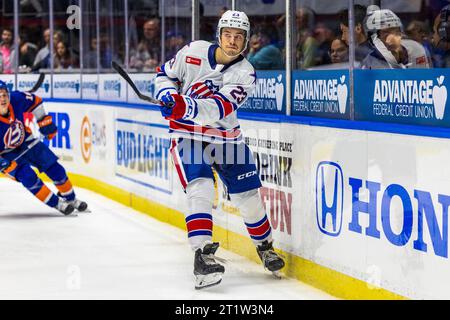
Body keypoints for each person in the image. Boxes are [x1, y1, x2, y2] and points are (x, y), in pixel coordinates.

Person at [154, 10, 285, 289]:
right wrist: (166, 93)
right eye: (228, 34)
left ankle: (265, 246)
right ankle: (201, 254)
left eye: (239, 36)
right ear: (219, 35)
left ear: (247, 40)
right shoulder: (193, 51)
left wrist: (184, 105)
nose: (233, 40)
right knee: (201, 186)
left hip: (226, 139)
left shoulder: (245, 72)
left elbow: (219, 107)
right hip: (187, 135)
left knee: (248, 197)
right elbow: (164, 75)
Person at [0, 81, 87, 215]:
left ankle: (71, 199)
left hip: (26, 141)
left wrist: (43, 120)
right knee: (28, 177)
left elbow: (36, 101)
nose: (3, 99)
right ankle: (57, 204)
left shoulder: (16, 99)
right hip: (5, 154)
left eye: (4, 95)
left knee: (55, 168)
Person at [361, 5, 430, 69]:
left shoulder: (417, 50)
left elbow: (429, 78)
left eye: (396, 31)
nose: (391, 38)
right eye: (385, 33)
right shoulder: (369, 65)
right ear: (372, 39)